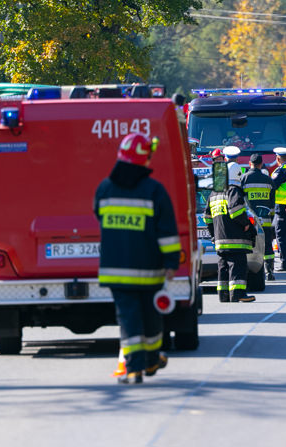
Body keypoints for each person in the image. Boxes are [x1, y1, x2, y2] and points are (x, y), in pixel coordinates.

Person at [94, 133, 180, 384]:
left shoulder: (105, 188)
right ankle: (150, 360)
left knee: (128, 319)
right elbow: (167, 233)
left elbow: (99, 216)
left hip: (116, 270)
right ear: (145, 159)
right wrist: (171, 263)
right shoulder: (154, 190)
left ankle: (135, 368)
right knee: (151, 318)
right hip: (149, 270)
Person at [205, 162, 256, 303]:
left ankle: (224, 295)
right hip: (235, 238)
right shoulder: (233, 190)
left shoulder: (214, 192)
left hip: (220, 239)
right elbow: (236, 211)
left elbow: (207, 217)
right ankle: (238, 294)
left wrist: (214, 235)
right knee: (237, 264)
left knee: (223, 266)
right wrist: (246, 224)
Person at [240, 153, 276, 280]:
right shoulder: (269, 180)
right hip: (265, 221)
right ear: (261, 164)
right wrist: (271, 218)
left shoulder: (243, 179)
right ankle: (270, 271)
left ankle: (247, 270)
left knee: (248, 246)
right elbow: (272, 204)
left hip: (249, 221)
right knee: (267, 246)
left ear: (250, 164)